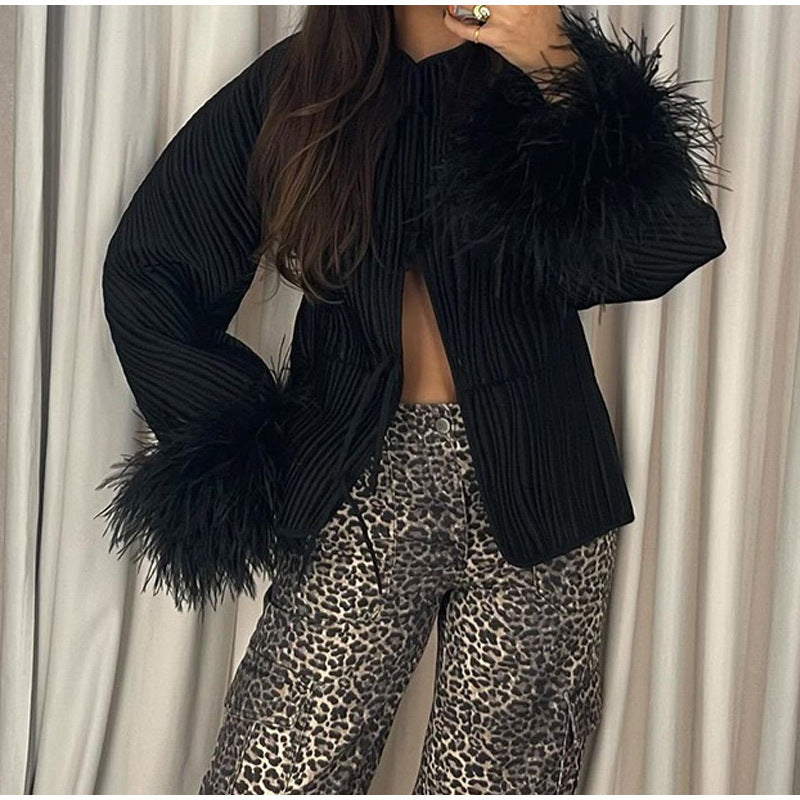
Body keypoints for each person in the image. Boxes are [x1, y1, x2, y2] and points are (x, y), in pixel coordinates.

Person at [96, 4, 727, 794]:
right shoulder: (303, 84)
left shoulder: (544, 69)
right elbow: (153, 267)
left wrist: (556, 65)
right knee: (275, 772)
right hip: (358, 479)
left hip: (543, 480)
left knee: (504, 784)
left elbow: (665, 246)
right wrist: (246, 439)